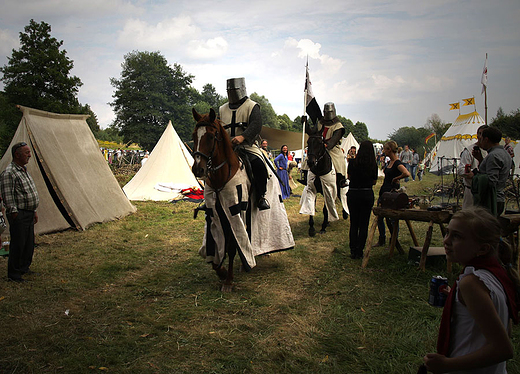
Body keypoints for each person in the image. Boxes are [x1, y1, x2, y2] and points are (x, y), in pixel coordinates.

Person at [423, 207, 519, 374]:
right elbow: (505, 329)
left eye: (457, 236)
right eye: (447, 233)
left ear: (482, 249)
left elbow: (503, 349)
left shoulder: (471, 284)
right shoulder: (496, 274)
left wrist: (446, 365)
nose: (446, 241)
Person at [219, 77, 270, 210]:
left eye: (234, 90)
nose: (232, 93)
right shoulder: (222, 109)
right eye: (229, 90)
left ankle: (260, 196)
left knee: (259, 165)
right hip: (226, 147)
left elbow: (256, 125)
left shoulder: (252, 106)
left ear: (241, 89)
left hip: (247, 146)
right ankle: (209, 198)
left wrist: (243, 136)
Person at [0, 142, 39, 282]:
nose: (29, 155)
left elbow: (28, 193)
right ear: (17, 155)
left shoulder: (23, 170)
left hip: (28, 212)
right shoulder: (9, 173)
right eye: (26, 153)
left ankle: (23, 267)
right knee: (18, 244)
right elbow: (8, 195)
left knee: (28, 243)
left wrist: (33, 210)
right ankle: (14, 274)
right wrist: (14, 213)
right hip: (19, 214)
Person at [468, 127, 511, 216]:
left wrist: (475, 175)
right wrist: (480, 159)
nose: (480, 142)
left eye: (482, 139)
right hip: (499, 198)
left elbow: (491, 181)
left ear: (486, 139)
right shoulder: (504, 153)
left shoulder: (493, 155)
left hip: (491, 201)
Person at [346, 140, 378, 259]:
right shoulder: (373, 164)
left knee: (354, 223)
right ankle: (360, 250)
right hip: (366, 193)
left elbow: (349, 177)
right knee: (364, 224)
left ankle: (353, 249)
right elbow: (374, 182)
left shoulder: (353, 162)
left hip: (353, 193)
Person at [375, 141, 410, 247]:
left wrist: (396, 178)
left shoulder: (397, 163)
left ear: (389, 149)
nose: (383, 151)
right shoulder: (390, 162)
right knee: (380, 216)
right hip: (384, 190)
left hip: (392, 192)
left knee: (393, 218)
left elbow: (406, 173)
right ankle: (382, 238)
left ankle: (393, 239)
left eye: (385, 149)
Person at [317, 102, 347, 187]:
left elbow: (333, 141)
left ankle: (341, 179)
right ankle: (305, 175)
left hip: (333, 150)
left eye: (329, 112)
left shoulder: (338, 126)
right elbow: (315, 133)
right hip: (320, 148)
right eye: (326, 112)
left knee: (339, 161)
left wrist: (327, 145)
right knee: (309, 159)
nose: (328, 114)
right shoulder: (320, 123)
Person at [458, 125, 488, 209]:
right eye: (480, 133)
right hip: (471, 191)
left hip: (486, 192)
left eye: (483, 134)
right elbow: (461, 170)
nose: (481, 136)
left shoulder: (491, 152)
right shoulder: (469, 151)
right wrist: (470, 173)